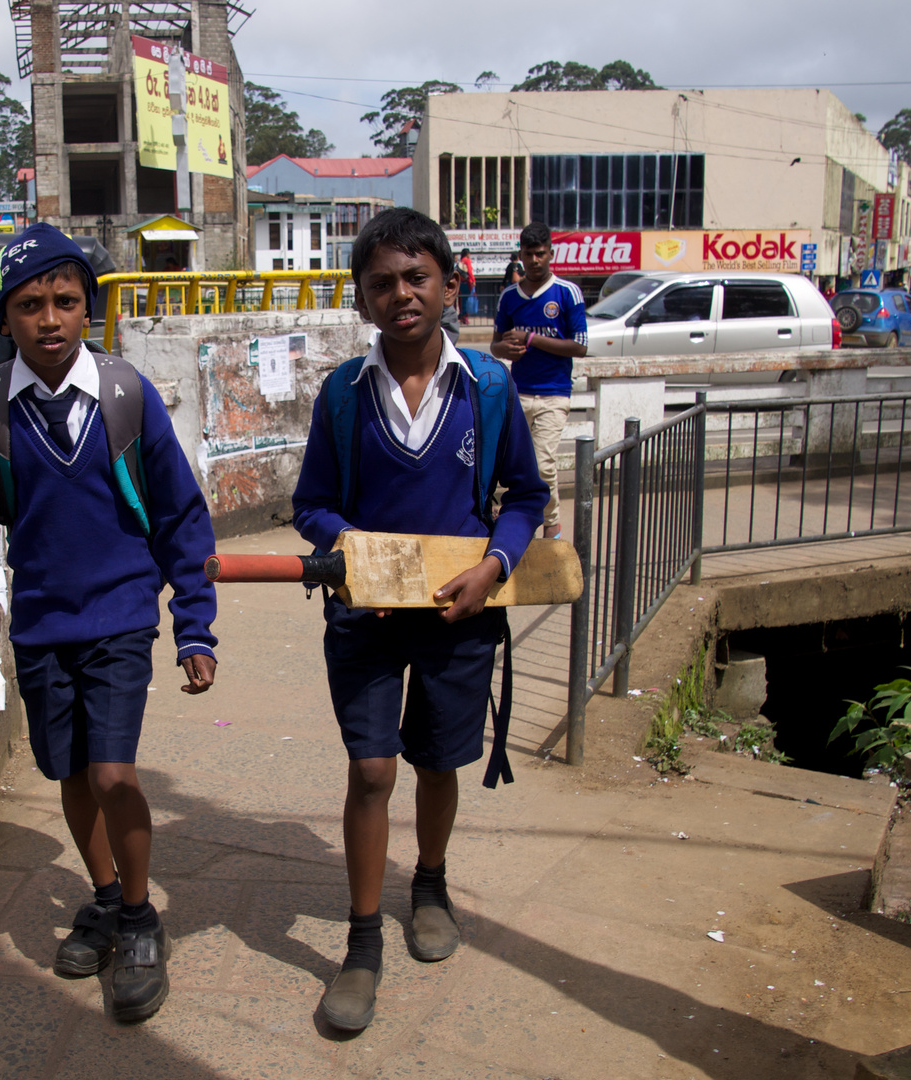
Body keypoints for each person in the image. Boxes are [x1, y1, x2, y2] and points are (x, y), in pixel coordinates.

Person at [0, 222, 219, 1022]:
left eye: (65, 301)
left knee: (114, 773)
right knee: (71, 774)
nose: (50, 319)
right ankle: (102, 897)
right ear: (6, 316)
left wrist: (194, 623)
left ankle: (140, 917)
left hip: (122, 615)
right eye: (30, 306)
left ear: (89, 306)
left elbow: (182, 520)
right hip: (42, 624)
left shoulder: (126, 397)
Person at [291, 207, 548, 1032]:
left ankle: (428, 883)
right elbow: (312, 506)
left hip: (457, 613)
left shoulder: (490, 389)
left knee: (440, 762)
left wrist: (495, 565)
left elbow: (528, 497)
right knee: (372, 771)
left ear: (447, 285)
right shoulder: (343, 394)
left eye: (415, 278)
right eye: (381, 284)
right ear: (362, 301)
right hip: (366, 616)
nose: (401, 295)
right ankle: (362, 944)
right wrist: (353, 545)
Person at [490, 222, 588, 541]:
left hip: (554, 394)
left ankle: (552, 525)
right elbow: (495, 344)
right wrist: (507, 349)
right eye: (529, 254)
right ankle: (517, 522)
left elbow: (580, 346)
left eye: (541, 254)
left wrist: (531, 338)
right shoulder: (509, 297)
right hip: (518, 393)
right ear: (521, 255)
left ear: (550, 254)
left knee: (543, 464)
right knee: (512, 465)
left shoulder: (566, 293)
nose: (535, 260)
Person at [456, 248, 476, 324]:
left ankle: (462, 315)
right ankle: (465, 316)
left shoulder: (461, 261)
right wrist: (473, 280)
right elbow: (470, 271)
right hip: (467, 282)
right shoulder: (467, 260)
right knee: (467, 299)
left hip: (461, 282)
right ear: (467, 254)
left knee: (462, 299)